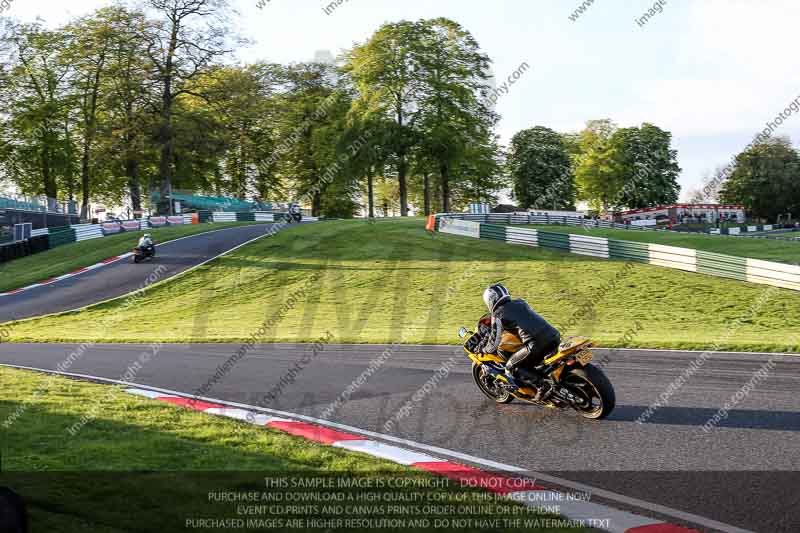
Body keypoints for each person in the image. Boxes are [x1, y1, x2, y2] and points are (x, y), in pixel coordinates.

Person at [478, 284, 561, 400]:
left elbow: (494, 343)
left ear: (490, 301)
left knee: (511, 367)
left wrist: (483, 349)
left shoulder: (497, 315)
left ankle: (542, 386)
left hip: (536, 343)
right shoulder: (521, 302)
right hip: (554, 335)